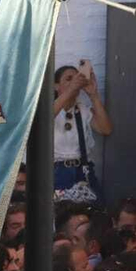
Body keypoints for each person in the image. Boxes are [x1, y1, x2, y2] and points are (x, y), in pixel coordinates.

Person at [54, 60, 113, 204]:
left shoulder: (83, 110)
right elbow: (41, 121)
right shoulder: (49, 107)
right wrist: (70, 90)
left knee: (96, 212)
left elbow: (105, 129)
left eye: (76, 78)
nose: (74, 82)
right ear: (56, 86)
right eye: (68, 79)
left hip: (83, 170)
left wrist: (93, 95)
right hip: (56, 172)